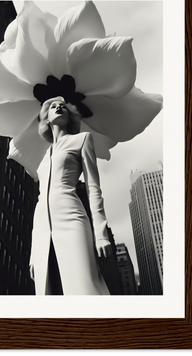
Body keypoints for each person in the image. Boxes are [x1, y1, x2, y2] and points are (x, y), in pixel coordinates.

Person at [28, 96, 112, 295]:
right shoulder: (43, 156)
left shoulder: (82, 139)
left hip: (72, 218)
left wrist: (101, 234)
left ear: (69, 117)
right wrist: (34, 251)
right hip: (42, 227)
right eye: (53, 107)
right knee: (48, 292)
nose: (58, 107)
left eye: (63, 107)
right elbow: (41, 200)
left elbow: (93, 187)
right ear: (46, 118)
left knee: (84, 286)